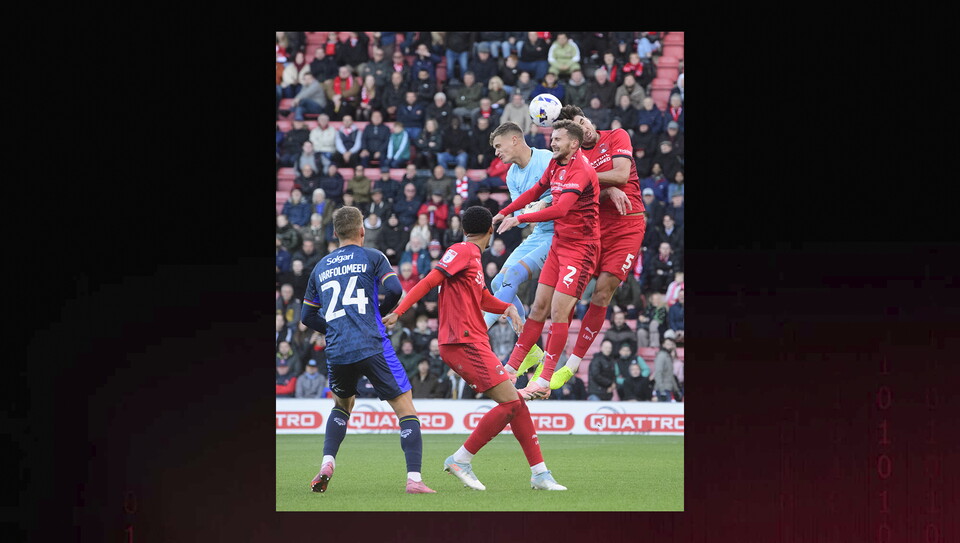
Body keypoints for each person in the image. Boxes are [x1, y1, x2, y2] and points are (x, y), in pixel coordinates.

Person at [382, 206, 567, 491]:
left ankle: (540, 473)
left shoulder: (473, 258)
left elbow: (480, 296)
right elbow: (432, 279)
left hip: (473, 340)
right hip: (462, 341)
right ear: (490, 231)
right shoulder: (463, 251)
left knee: (515, 404)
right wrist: (400, 310)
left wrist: (506, 307)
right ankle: (461, 459)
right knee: (510, 403)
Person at [301, 206, 435, 494]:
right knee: (405, 408)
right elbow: (396, 291)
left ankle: (327, 462)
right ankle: (414, 479)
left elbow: (307, 317)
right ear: (362, 230)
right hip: (371, 344)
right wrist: (377, 314)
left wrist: (336, 329)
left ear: (335, 233)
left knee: (341, 406)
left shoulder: (320, 267)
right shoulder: (373, 256)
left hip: (337, 351)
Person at [493, 120, 600, 400]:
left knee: (557, 312)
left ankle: (545, 378)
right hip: (558, 245)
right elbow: (533, 193)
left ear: (574, 144)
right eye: (551, 138)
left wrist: (522, 217)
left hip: (581, 248)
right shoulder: (555, 164)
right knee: (538, 307)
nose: (552, 143)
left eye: (558, 139)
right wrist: (504, 212)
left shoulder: (581, 169)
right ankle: (513, 368)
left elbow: (562, 209)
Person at [544, 104, 647, 391]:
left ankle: (572, 364)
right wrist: (604, 185)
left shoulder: (616, 136)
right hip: (593, 228)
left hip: (628, 225)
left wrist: (590, 179)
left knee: (603, 291)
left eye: (583, 120)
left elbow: (622, 174)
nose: (585, 127)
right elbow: (568, 191)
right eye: (577, 126)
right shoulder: (571, 157)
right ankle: (546, 359)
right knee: (565, 295)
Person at [477, 121, 556, 339]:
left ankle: (480, 332)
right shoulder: (512, 175)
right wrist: (511, 217)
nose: (496, 152)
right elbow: (522, 218)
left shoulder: (547, 159)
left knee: (511, 275)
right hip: (540, 232)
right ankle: (527, 345)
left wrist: (544, 202)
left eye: (498, 146)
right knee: (496, 282)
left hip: (562, 233)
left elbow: (570, 193)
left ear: (514, 140)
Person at [651, 335, 679, 402]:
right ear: (663, 345)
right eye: (668, 344)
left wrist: (676, 390)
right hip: (663, 389)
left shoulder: (667, 356)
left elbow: (670, 375)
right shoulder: (662, 356)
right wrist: (662, 390)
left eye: (671, 344)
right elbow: (658, 373)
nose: (670, 346)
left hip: (668, 388)